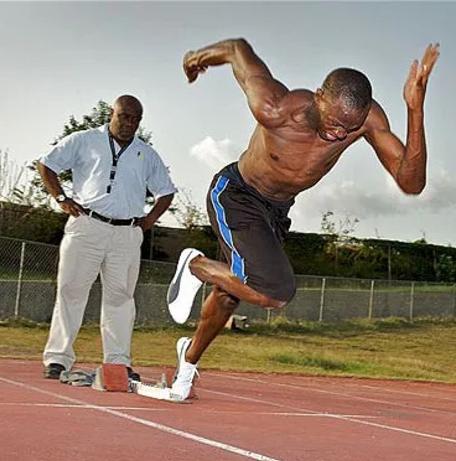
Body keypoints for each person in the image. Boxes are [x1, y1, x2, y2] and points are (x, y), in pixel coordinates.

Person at [166, 38, 439, 399]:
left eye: (349, 129)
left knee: (230, 293)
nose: (340, 134)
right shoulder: (275, 107)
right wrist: (195, 59)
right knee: (273, 290)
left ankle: (187, 362)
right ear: (318, 97)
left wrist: (414, 110)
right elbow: (236, 49)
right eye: (335, 123)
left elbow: (411, 183)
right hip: (237, 194)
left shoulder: (367, 120)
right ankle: (195, 266)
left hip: (277, 212)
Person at [40, 95, 177, 380]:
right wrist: (61, 198)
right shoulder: (84, 140)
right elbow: (47, 164)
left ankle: (118, 362)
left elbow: (166, 191)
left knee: (121, 298)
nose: (130, 123)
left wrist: (148, 220)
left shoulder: (146, 153)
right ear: (111, 114)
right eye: (124, 116)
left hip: (127, 234)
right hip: (86, 225)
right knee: (71, 291)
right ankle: (58, 359)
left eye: (136, 119)